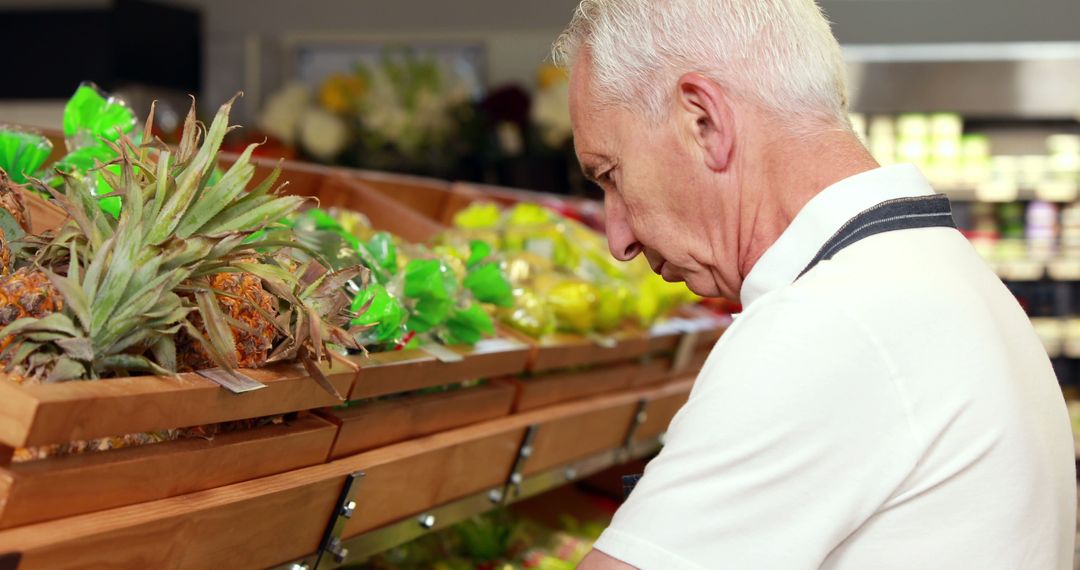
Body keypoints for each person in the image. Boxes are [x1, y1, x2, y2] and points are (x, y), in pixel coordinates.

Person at [553, 1, 1077, 568]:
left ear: (703, 120)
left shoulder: (828, 323)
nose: (618, 238)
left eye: (611, 175)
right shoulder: (943, 276)